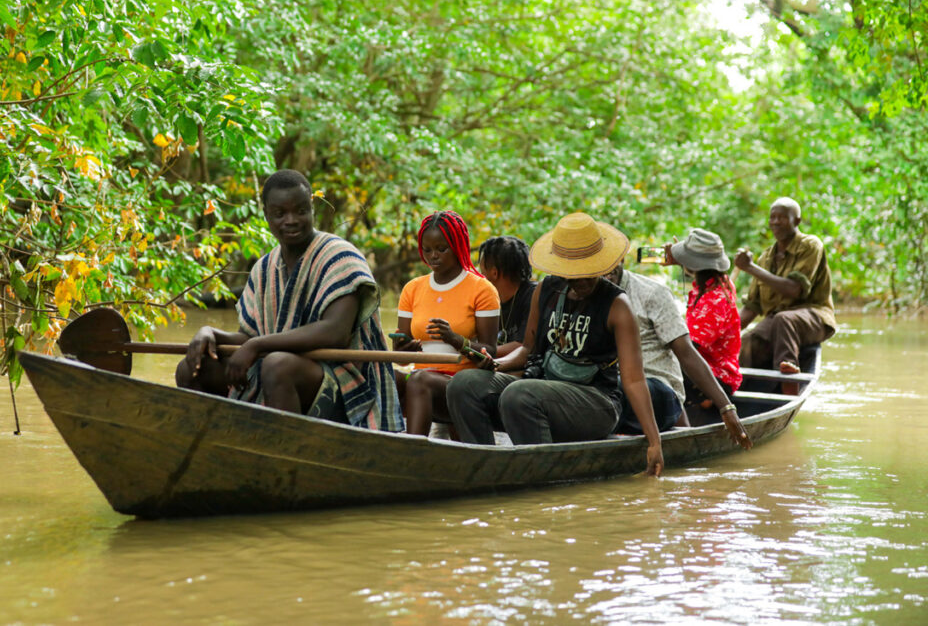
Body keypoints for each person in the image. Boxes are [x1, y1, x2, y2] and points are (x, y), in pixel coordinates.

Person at [175, 169, 403, 431]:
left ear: (312, 209)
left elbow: (335, 333)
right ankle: (210, 443)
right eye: (280, 213)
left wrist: (257, 345)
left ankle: (288, 450)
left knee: (277, 365)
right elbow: (249, 337)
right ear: (266, 215)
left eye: (300, 211)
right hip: (282, 374)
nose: (291, 220)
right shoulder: (263, 269)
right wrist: (210, 333)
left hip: (349, 387)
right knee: (192, 367)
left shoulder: (341, 256)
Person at [446, 212, 664, 477]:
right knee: (463, 384)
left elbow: (634, 380)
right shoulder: (547, 290)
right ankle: (485, 468)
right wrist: (497, 364)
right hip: (545, 388)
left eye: (589, 273)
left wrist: (654, 442)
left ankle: (540, 475)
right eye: (574, 274)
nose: (582, 281)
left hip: (596, 401)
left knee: (520, 394)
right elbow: (527, 349)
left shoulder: (617, 305)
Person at [606, 248, 752, 449]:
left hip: (716, 373)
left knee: (671, 369)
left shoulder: (715, 297)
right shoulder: (701, 291)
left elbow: (689, 349)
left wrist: (725, 407)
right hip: (688, 369)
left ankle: (691, 420)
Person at [394, 211, 500, 436]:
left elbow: (490, 351)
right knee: (384, 377)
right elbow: (402, 358)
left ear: (458, 246)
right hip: (420, 376)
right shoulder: (412, 289)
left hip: (461, 383)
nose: (433, 256)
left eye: (442, 249)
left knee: (419, 381)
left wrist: (456, 340)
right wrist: (403, 349)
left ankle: (412, 449)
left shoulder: (482, 289)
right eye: (427, 250)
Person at [735, 197, 836, 380]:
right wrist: (724, 334)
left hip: (814, 317)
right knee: (748, 342)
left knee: (784, 320)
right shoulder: (765, 258)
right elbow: (752, 307)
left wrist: (750, 268)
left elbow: (794, 289)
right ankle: (734, 386)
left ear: (796, 221)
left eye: (781, 217)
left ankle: (789, 382)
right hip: (777, 321)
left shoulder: (810, 245)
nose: (775, 222)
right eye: (772, 217)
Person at [667, 228, 743, 410]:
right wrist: (683, 260)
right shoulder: (720, 282)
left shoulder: (714, 301)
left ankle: (705, 400)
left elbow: (688, 350)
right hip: (708, 365)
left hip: (715, 377)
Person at [477, 236, 537, 357]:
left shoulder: (533, 295)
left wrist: (477, 352)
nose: (479, 277)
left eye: (482, 272)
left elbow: (524, 346)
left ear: (494, 273)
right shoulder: (488, 299)